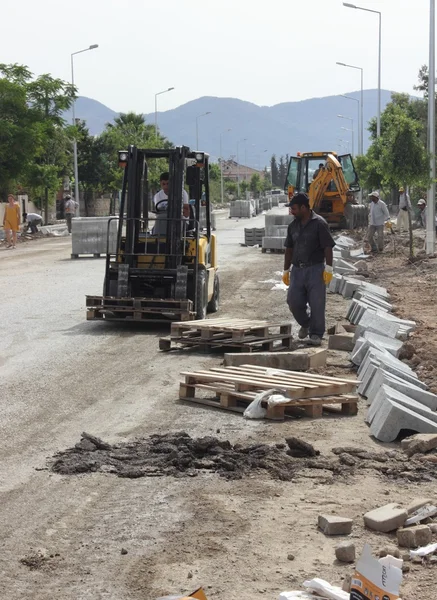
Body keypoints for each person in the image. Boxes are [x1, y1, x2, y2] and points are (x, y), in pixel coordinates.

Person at [282, 192, 335, 346]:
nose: (292, 212)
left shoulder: (319, 223)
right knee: (293, 301)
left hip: (316, 270)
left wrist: (329, 268)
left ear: (304, 208)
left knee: (317, 303)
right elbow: (289, 249)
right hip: (297, 270)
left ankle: (316, 334)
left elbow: (327, 247)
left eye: (294, 209)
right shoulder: (293, 226)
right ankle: (306, 323)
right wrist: (286, 270)